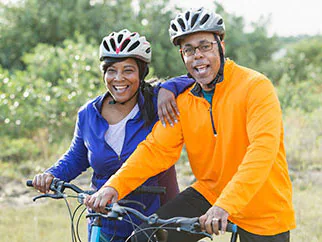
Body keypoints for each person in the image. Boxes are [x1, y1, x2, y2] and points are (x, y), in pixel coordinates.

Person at [84, 8, 296, 242]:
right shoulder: (184, 101)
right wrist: (113, 187)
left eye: (205, 46)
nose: (197, 56)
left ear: (221, 46)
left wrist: (226, 204)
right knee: (147, 236)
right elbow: (155, 150)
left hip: (262, 204)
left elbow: (262, 152)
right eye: (188, 50)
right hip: (210, 193)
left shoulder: (255, 87)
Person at [32, 29, 195, 241]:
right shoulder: (88, 113)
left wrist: (168, 88)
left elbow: (196, 77)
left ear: (141, 73)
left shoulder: (157, 104)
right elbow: (76, 157)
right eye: (111, 70)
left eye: (128, 70)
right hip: (103, 217)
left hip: (153, 219)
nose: (119, 78)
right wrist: (51, 175)